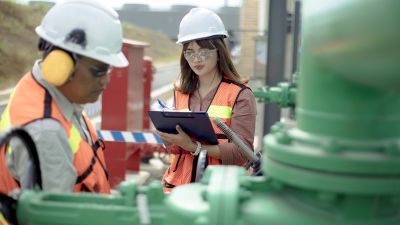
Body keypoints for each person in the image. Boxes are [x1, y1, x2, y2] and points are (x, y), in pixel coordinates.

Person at [0, 0, 128, 194]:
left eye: (108, 69)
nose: (106, 80)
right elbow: (54, 216)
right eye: (99, 70)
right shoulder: (46, 133)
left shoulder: (55, 95)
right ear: (60, 65)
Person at [155, 7, 257, 193]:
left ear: (218, 51)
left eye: (203, 51)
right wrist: (168, 139)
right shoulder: (180, 92)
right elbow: (175, 150)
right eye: (190, 52)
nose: (196, 59)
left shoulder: (240, 95)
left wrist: (194, 147)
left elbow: (242, 152)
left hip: (220, 194)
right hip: (178, 192)